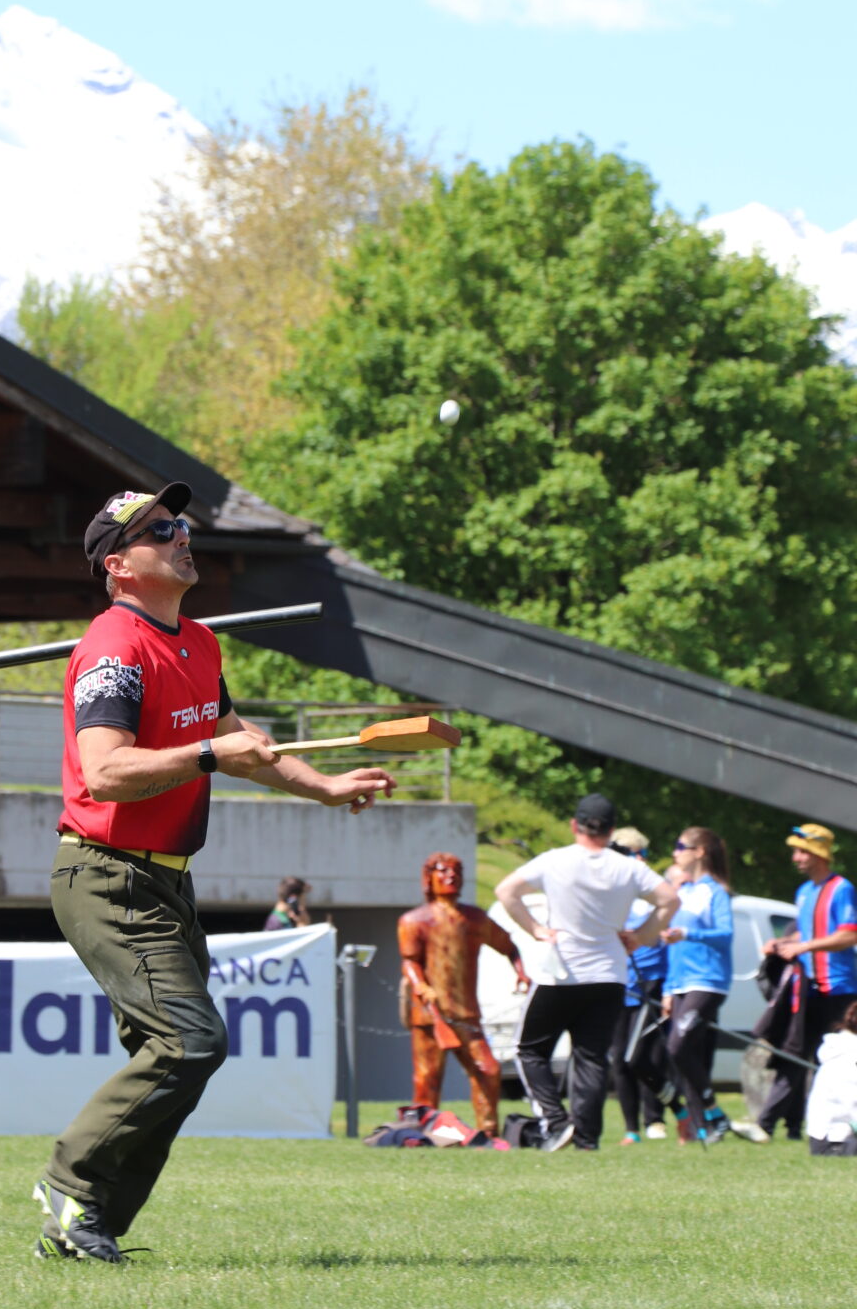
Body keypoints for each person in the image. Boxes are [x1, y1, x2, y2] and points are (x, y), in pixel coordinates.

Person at [33, 481, 396, 1262]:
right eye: (159, 531)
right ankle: (69, 1181)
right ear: (118, 565)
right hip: (107, 875)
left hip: (166, 881)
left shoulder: (198, 643)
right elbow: (105, 773)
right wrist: (208, 753)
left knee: (180, 1058)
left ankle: (86, 1225)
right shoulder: (113, 647)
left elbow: (243, 744)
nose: (181, 536)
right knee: (190, 1042)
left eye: (180, 525)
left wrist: (325, 787)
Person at [495, 794, 677, 1152]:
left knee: (528, 1050)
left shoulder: (556, 860)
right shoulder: (629, 868)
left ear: (574, 825)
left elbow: (507, 892)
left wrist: (536, 929)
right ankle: (586, 1139)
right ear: (611, 830)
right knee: (591, 1057)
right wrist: (640, 937)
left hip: (563, 972)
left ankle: (555, 1122)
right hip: (610, 974)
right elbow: (670, 900)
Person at [397, 852, 530, 1138]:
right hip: (429, 1015)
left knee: (488, 1069)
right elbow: (409, 962)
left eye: (456, 871)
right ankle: (423, 1131)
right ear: (429, 878)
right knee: (427, 1077)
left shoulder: (475, 919)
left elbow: (508, 946)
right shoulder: (413, 921)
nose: (451, 877)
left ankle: (488, 1131)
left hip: (466, 1014)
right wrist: (421, 985)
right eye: (443, 871)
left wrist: (521, 971)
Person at [739, 823, 857, 1143]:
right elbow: (809, 932)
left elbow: (849, 934)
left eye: (802, 851)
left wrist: (804, 947)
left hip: (840, 991)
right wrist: (783, 943)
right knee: (794, 1053)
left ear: (819, 854)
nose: (796, 858)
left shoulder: (841, 889)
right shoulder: (805, 892)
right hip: (809, 990)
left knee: (841, 1060)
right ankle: (770, 1126)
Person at [659, 827, 735, 1144]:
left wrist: (688, 934)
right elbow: (673, 946)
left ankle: (714, 1113)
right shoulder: (685, 892)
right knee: (686, 1052)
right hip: (680, 983)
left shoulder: (715, 892)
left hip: (707, 981)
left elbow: (726, 933)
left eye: (681, 846)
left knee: (678, 1046)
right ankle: (703, 1127)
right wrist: (667, 988)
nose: (675, 852)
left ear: (699, 851)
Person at [606, 827, 671, 1143]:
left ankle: (655, 1119)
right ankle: (631, 1128)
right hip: (620, 983)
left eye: (637, 853)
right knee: (620, 1058)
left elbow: (668, 942)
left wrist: (669, 988)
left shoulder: (654, 893)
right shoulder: (612, 894)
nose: (638, 859)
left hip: (651, 982)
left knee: (644, 1055)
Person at [805, 1000, 857, 1155]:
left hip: (830, 1137)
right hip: (833, 1141)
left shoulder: (841, 1046)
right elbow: (850, 1101)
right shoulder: (849, 1055)